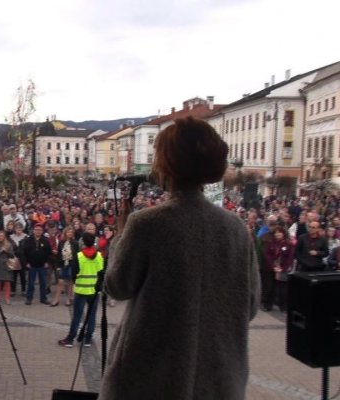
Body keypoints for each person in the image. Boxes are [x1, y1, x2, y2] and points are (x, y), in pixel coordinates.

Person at [98, 117, 260, 400]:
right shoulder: (236, 229)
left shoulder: (147, 223)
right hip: (219, 381)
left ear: (166, 164)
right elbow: (251, 305)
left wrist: (120, 237)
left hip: (150, 380)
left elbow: (117, 286)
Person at [58, 232, 104, 348]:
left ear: (82, 242)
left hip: (81, 289)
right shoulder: (99, 255)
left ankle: (70, 339)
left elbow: (74, 273)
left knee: (77, 316)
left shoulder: (79, 256)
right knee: (91, 315)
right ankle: (88, 339)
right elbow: (101, 273)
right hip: (94, 290)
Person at [262, 226, 294, 312]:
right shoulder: (270, 243)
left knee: (282, 289)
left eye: (279, 232)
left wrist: (283, 268)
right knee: (269, 288)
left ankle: (283, 306)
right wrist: (273, 266)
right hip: (271, 268)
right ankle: (268, 305)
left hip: (282, 269)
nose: (278, 234)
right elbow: (267, 255)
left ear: (283, 233)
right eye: (276, 232)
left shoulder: (288, 244)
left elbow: (290, 258)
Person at [20, 224, 52, 305]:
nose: (38, 231)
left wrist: (47, 262)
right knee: (31, 283)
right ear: (33, 230)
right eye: (36, 229)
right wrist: (26, 263)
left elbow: (49, 253)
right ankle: (29, 298)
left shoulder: (45, 240)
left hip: (42, 265)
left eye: (40, 230)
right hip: (31, 265)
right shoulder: (28, 240)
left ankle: (43, 298)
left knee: (43, 283)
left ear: (42, 231)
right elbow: (23, 253)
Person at [50, 226, 78, 307]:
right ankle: (56, 299)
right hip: (63, 264)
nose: (70, 233)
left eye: (71, 232)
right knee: (60, 282)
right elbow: (59, 255)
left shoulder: (75, 243)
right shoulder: (61, 242)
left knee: (70, 282)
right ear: (65, 233)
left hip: (71, 264)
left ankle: (68, 298)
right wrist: (58, 266)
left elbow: (76, 256)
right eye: (68, 232)